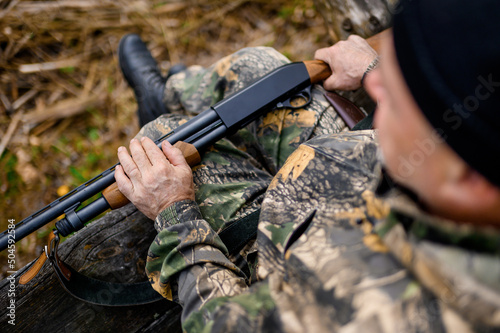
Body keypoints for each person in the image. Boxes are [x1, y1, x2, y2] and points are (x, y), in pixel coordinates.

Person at [115, 0, 500, 331]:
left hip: (294, 254)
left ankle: (163, 109)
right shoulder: (469, 163)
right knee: (262, 68)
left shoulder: (377, 314)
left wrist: (174, 213)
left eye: (402, 96)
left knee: (163, 136)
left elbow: (226, 324)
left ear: (468, 182)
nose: (378, 88)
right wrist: (373, 68)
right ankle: (165, 93)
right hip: (361, 168)